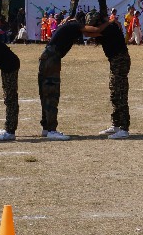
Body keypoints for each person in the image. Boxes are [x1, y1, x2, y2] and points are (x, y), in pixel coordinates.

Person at [37, 12, 113, 140]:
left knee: (46, 94)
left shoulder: (70, 25)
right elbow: (95, 29)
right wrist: (110, 22)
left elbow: (90, 33)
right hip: (51, 58)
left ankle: (46, 128)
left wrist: (101, 33)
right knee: (51, 94)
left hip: (48, 57)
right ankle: (51, 130)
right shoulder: (74, 25)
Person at [86, 10, 132, 139]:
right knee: (114, 93)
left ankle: (124, 128)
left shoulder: (109, 27)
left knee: (120, 93)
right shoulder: (108, 25)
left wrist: (109, 22)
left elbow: (89, 32)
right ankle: (116, 124)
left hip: (120, 61)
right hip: (116, 62)